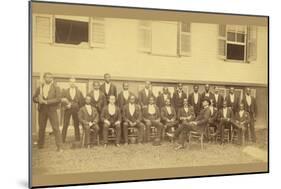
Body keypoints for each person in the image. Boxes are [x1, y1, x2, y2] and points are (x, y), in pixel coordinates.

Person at [32, 72, 63, 152]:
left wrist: (46, 102)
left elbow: (58, 99)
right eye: (47, 77)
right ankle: (40, 145)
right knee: (41, 128)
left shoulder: (56, 87)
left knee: (56, 128)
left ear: (52, 79)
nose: (49, 79)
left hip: (52, 110)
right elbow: (34, 98)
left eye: (50, 77)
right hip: (42, 110)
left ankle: (59, 147)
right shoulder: (40, 87)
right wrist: (38, 100)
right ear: (44, 78)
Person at [61, 77, 84, 143]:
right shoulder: (65, 91)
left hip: (76, 110)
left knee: (76, 124)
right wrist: (66, 106)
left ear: (75, 83)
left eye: (74, 82)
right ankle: (62, 139)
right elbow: (62, 101)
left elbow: (82, 102)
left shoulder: (79, 92)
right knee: (65, 124)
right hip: (67, 109)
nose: (72, 83)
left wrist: (80, 110)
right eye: (71, 82)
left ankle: (77, 138)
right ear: (69, 83)